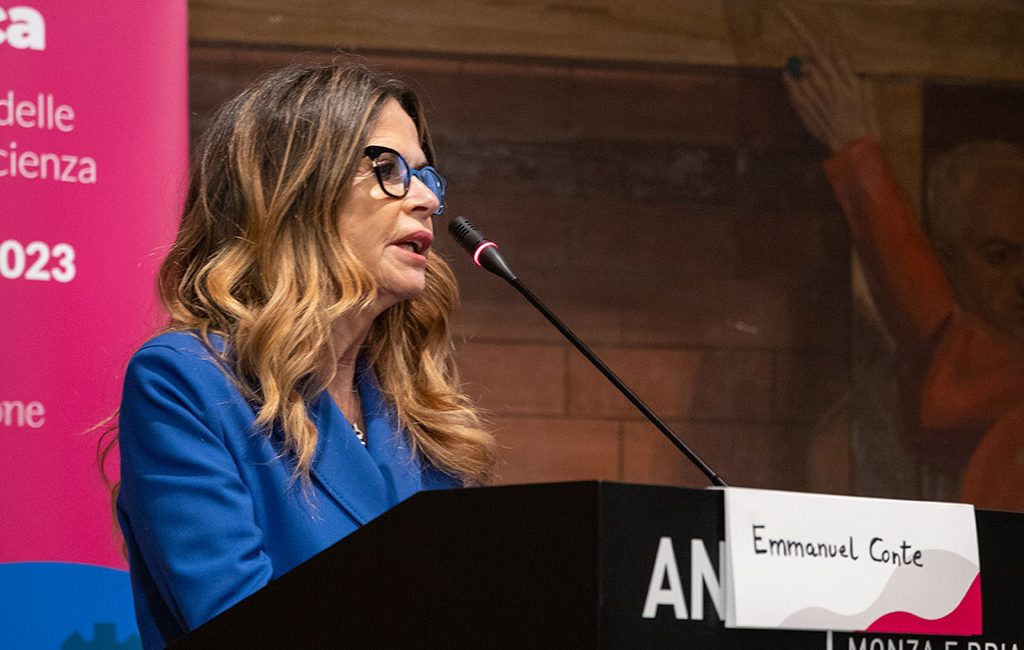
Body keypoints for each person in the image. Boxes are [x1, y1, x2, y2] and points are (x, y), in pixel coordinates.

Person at [110, 61, 496, 648]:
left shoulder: (421, 415)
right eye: (389, 169)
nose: (424, 200)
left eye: (425, 176)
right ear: (293, 190)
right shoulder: (187, 383)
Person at [782, 14, 1024, 511]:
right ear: (946, 262)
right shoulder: (866, 414)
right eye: (999, 257)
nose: (1023, 282)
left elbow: (943, 342)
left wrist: (857, 151)